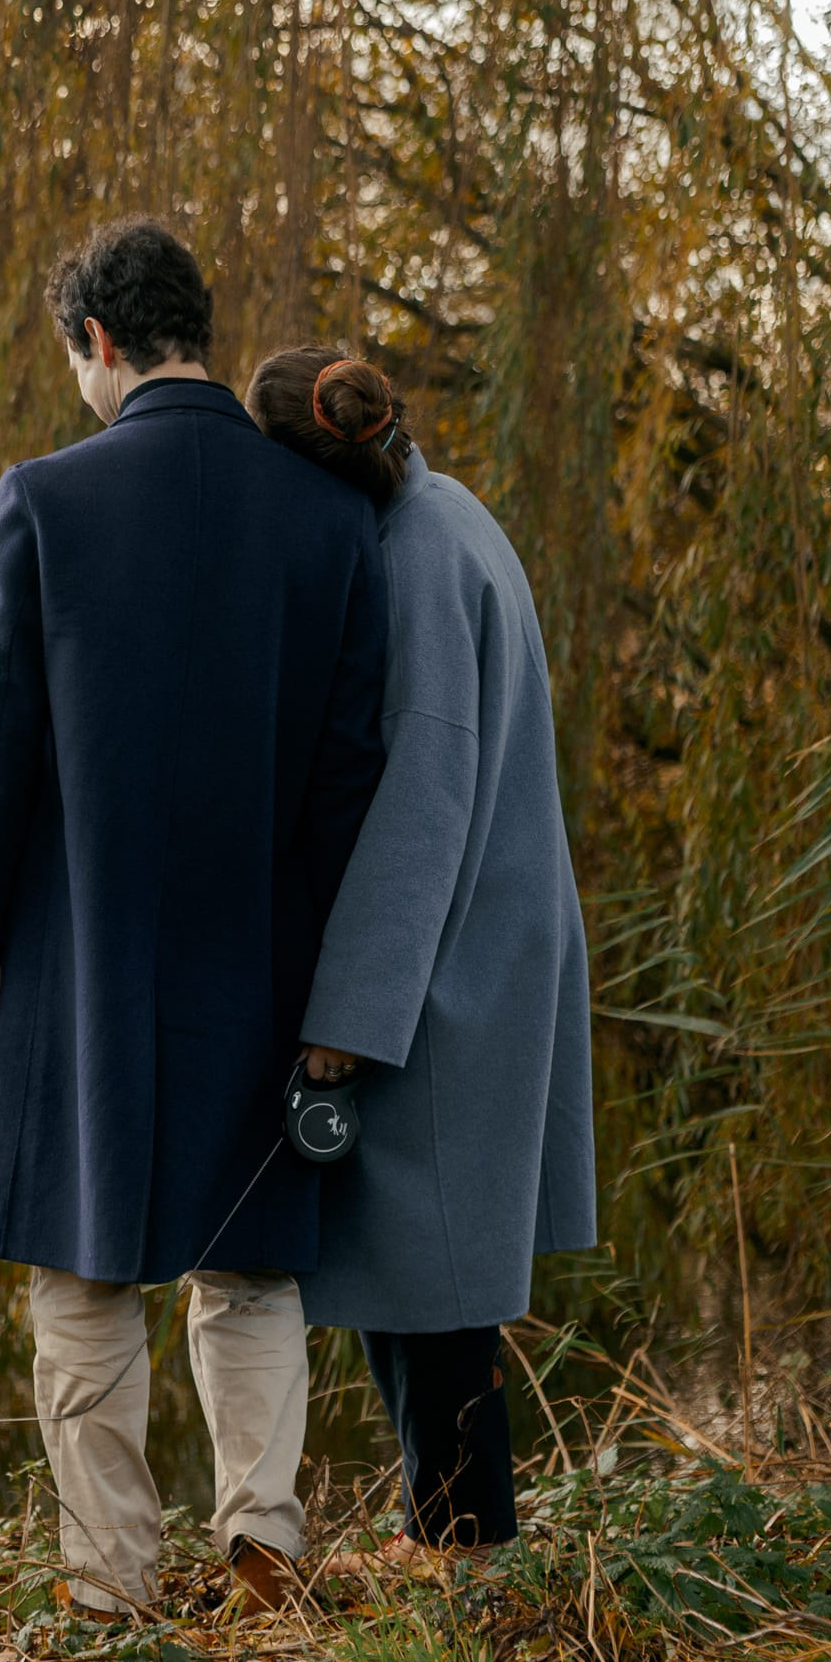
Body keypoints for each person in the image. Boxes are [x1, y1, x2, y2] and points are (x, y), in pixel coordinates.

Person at [0, 220, 389, 1618]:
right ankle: (262, 1543)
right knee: (248, 1270)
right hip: (264, 955)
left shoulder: (46, 502)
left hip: (81, 954)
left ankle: (111, 1578)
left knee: (83, 1277)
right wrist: (332, 981)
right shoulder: (326, 516)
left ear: (102, 344)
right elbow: (347, 772)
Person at [245, 348, 597, 1554]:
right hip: (493, 935)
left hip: (453, 964)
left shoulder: (409, 563)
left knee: (431, 1277)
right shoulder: (453, 515)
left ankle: (462, 1550)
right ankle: (447, 1533)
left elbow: (421, 799)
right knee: (429, 1274)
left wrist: (345, 1018)